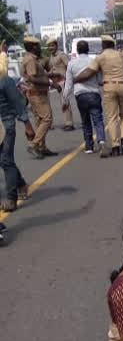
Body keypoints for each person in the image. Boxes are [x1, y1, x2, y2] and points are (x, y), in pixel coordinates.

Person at [75, 34, 123, 156]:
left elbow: (89, 73)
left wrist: (76, 79)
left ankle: (115, 146)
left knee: (112, 117)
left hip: (109, 86)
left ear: (104, 44)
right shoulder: (122, 55)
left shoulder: (100, 57)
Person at [63, 40, 108, 157]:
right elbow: (99, 80)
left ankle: (89, 146)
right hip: (94, 94)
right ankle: (102, 141)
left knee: (85, 120)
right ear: (88, 49)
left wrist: (65, 99)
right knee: (98, 120)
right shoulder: (93, 62)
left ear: (77, 50)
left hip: (80, 95)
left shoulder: (71, 64)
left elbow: (68, 84)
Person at [0, 75, 35, 212]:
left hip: (6, 125)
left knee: (6, 160)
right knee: (3, 160)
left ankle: (11, 199)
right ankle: (20, 184)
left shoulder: (4, 79)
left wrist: (27, 124)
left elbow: (18, 102)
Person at [22, 36, 57, 159]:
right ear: (33, 47)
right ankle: (34, 144)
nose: (39, 48)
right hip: (37, 94)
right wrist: (50, 83)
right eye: (37, 45)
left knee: (40, 120)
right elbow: (32, 78)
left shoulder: (33, 59)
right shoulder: (31, 60)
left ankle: (42, 147)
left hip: (37, 94)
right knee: (47, 119)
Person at [43, 40, 74, 131]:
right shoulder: (51, 57)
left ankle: (69, 123)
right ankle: (67, 122)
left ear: (56, 45)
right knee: (62, 102)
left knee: (65, 102)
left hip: (63, 81)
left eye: (52, 46)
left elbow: (69, 66)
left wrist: (68, 80)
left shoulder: (62, 55)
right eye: (49, 46)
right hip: (56, 81)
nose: (50, 48)